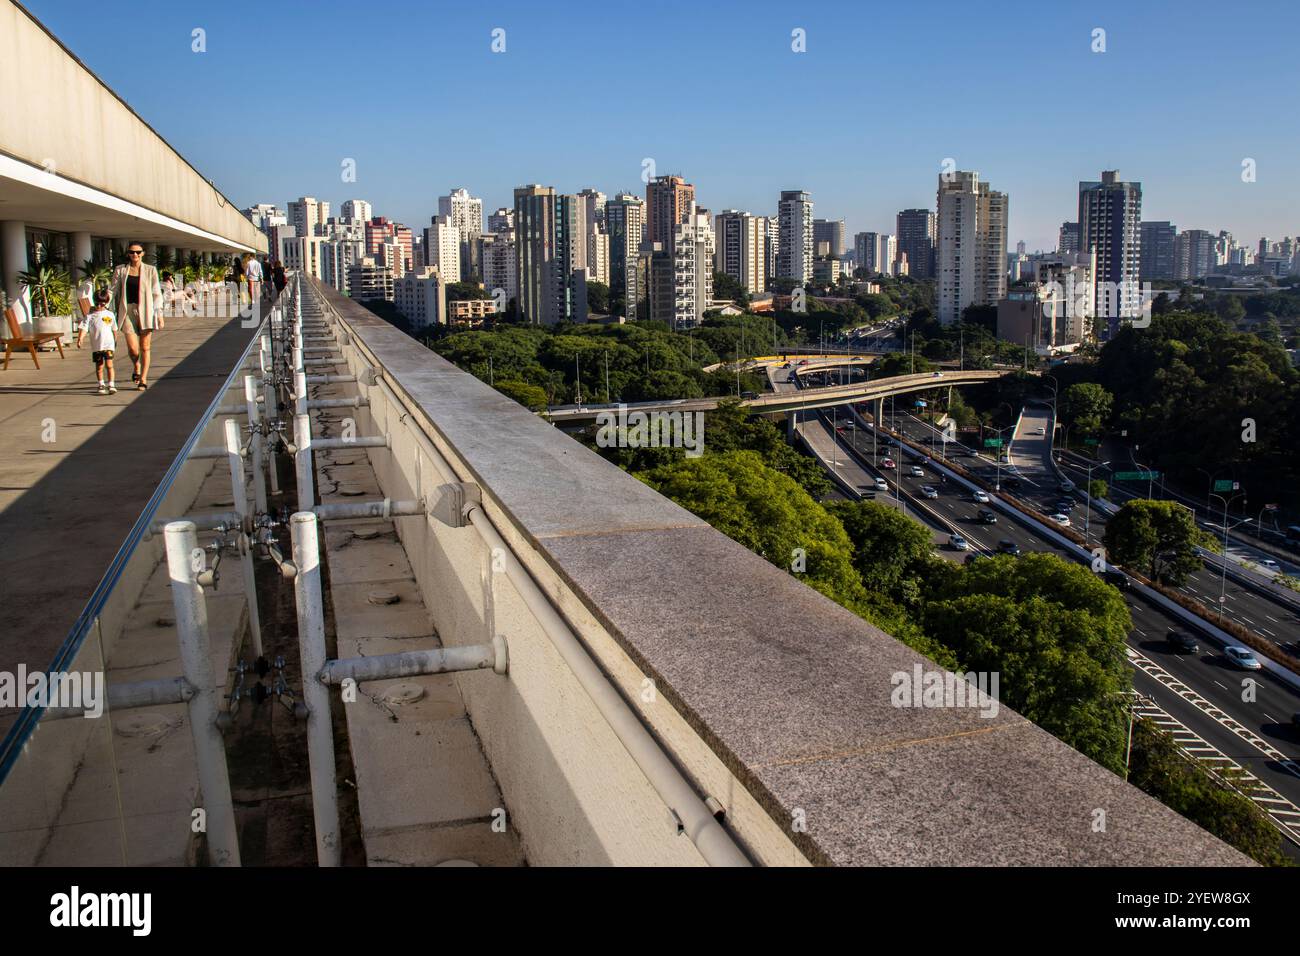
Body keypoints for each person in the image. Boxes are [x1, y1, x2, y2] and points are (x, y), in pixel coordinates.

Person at [109, 242, 163, 390]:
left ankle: (143, 379)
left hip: (146, 310)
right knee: (133, 349)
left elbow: (156, 292)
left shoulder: (151, 270)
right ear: (128, 254)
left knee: (145, 347)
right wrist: (102, 305)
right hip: (127, 310)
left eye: (138, 252)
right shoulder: (120, 270)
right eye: (132, 252)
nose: (135, 255)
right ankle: (136, 365)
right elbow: (112, 290)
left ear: (143, 253)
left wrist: (159, 314)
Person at [77, 289, 119, 395]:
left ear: (106, 303)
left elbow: (114, 328)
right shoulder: (90, 316)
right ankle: (101, 384)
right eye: (97, 303)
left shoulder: (110, 314)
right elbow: (84, 328)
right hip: (97, 346)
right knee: (99, 366)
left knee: (109, 365)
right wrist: (80, 338)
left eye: (102, 303)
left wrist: (115, 340)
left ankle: (111, 384)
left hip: (108, 344)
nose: (99, 306)